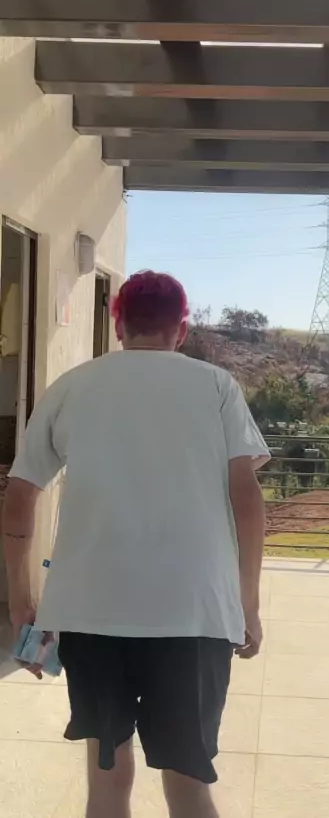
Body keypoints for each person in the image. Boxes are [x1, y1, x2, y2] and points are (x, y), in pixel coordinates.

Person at [2, 270, 269, 818]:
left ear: (118, 324)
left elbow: (21, 496)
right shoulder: (217, 386)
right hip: (194, 615)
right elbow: (247, 497)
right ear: (181, 329)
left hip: (91, 614)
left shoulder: (73, 386)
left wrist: (21, 603)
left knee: (107, 781)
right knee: (188, 785)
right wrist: (248, 603)